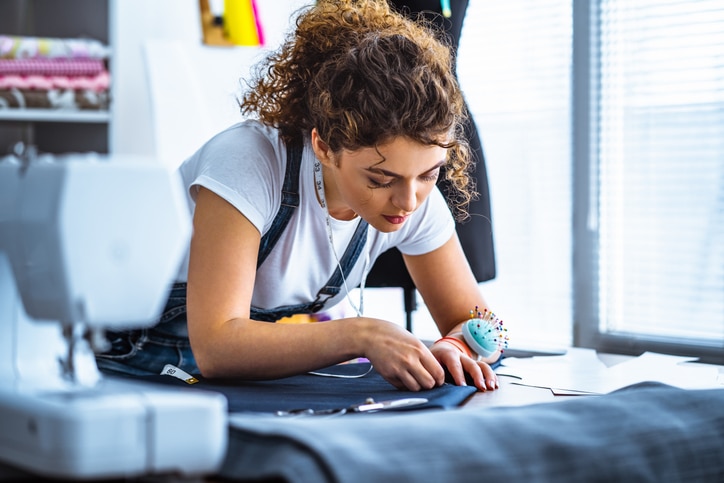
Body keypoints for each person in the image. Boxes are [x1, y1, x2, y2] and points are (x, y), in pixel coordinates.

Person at [96, 0, 500, 392]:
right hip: (132, 365)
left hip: (238, 384)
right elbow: (216, 344)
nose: (409, 201)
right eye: (380, 179)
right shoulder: (249, 163)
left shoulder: (413, 197)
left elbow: (481, 322)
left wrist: (456, 344)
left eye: (429, 174)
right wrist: (362, 334)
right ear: (324, 147)